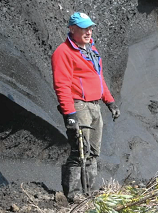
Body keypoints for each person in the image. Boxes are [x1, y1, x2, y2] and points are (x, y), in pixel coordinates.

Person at [51, 12, 120, 202]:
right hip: (79, 106)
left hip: (95, 106)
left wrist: (110, 101)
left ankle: (88, 192)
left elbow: (99, 79)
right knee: (80, 150)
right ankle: (73, 194)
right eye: (84, 28)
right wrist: (69, 114)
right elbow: (61, 85)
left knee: (93, 152)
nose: (88, 31)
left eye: (90, 28)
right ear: (72, 29)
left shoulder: (92, 50)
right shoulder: (63, 52)